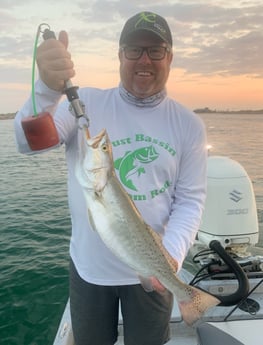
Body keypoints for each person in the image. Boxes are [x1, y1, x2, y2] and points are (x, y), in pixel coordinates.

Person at [14, 11, 207, 345]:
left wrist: (171, 255)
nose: (144, 59)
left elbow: (190, 200)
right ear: (120, 55)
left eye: (155, 50)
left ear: (170, 57)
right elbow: (26, 144)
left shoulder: (189, 125)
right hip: (90, 272)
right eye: (134, 49)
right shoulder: (85, 104)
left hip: (155, 269)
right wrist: (46, 89)